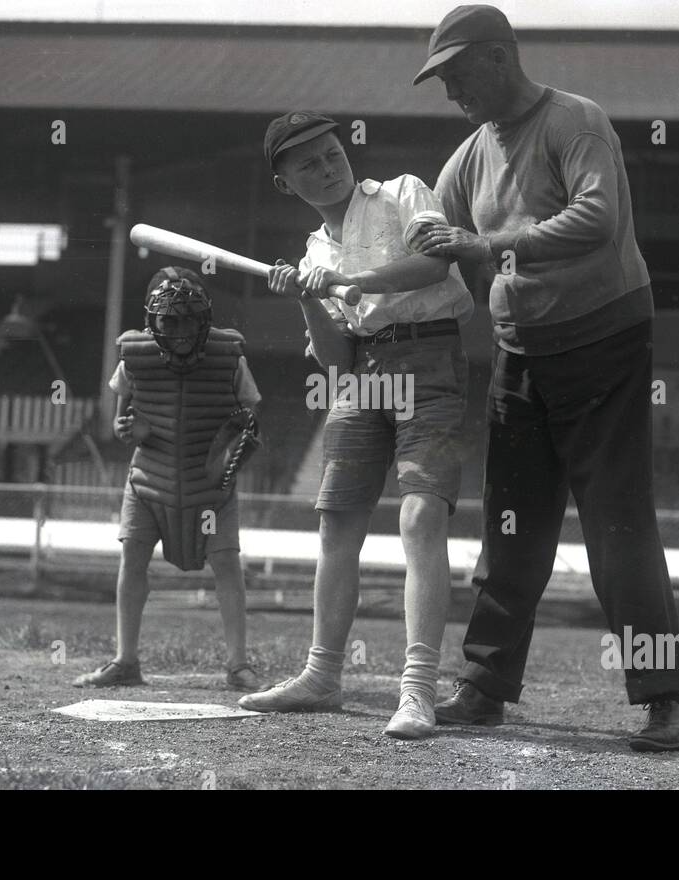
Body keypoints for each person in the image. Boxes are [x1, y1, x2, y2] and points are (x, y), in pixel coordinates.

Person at [410, 5, 679, 751]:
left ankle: (665, 697)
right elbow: (431, 247)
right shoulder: (469, 156)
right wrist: (347, 272)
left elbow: (597, 217)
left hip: (605, 341)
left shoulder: (575, 120)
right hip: (521, 353)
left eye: (456, 74)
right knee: (510, 527)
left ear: (500, 58)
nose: (449, 93)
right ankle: (486, 684)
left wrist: (488, 244)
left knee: (618, 524)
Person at [237, 111, 474, 739]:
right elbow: (337, 357)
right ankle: (322, 674)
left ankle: (417, 688)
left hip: (429, 353)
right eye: (307, 164)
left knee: (421, 514)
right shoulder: (314, 252)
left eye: (331, 152)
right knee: (336, 520)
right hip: (364, 369)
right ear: (286, 184)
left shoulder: (404, 192)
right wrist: (312, 298)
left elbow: (435, 267)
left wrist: (346, 280)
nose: (327, 166)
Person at [73, 267, 262, 693]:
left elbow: (250, 416)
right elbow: (123, 421)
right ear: (152, 321)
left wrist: (237, 441)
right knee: (132, 557)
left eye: (189, 319)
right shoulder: (134, 356)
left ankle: (238, 665)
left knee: (227, 564)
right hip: (148, 480)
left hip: (210, 487)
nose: (180, 331)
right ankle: (125, 661)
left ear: (205, 318)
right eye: (169, 321)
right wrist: (130, 432)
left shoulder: (230, 356)